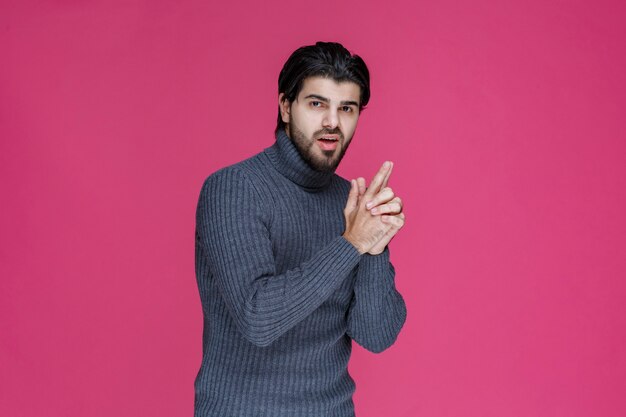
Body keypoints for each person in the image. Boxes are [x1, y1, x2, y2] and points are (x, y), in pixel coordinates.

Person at [194, 41, 407, 417]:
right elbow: (257, 318)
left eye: (347, 108)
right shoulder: (233, 189)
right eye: (316, 104)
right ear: (285, 107)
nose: (333, 122)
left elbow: (376, 336)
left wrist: (374, 246)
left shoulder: (352, 203)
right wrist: (351, 242)